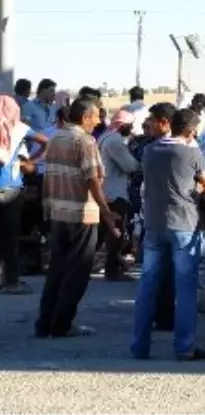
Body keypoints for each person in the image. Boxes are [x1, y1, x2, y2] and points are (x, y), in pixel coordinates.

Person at [36, 98, 120, 339]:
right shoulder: (84, 141)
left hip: (57, 211)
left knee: (57, 269)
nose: (98, 121)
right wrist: (106, 212)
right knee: (78, 271)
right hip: (81, 213)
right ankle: (62, 324)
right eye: (96, 116)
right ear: (85, 117)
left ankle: (45, 323)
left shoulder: (56, 138)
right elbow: (92, 178)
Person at [131, 106, 205, 361]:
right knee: (185, 287)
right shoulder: (192, 152)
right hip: (184, 223)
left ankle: (139, 346)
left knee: (148, 284)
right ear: (190, 130)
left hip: (154, 223)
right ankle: (184, 346)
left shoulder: (150, 150)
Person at [0, 94, 42, 295]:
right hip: (11, 188)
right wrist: (30, 161)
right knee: (9, 237)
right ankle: (11, 282)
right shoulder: (20, 129)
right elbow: (46, 142)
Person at [97, 110, 140, 281]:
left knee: (102, 232)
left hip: (105, 190)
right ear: (122, 125)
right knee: (116, 232)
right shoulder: (115, 141)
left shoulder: (105, 137)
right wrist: (142, 163)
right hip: (114, 192)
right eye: (130, 126)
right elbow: (130, 166)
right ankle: (112, 269)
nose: (132, 129)